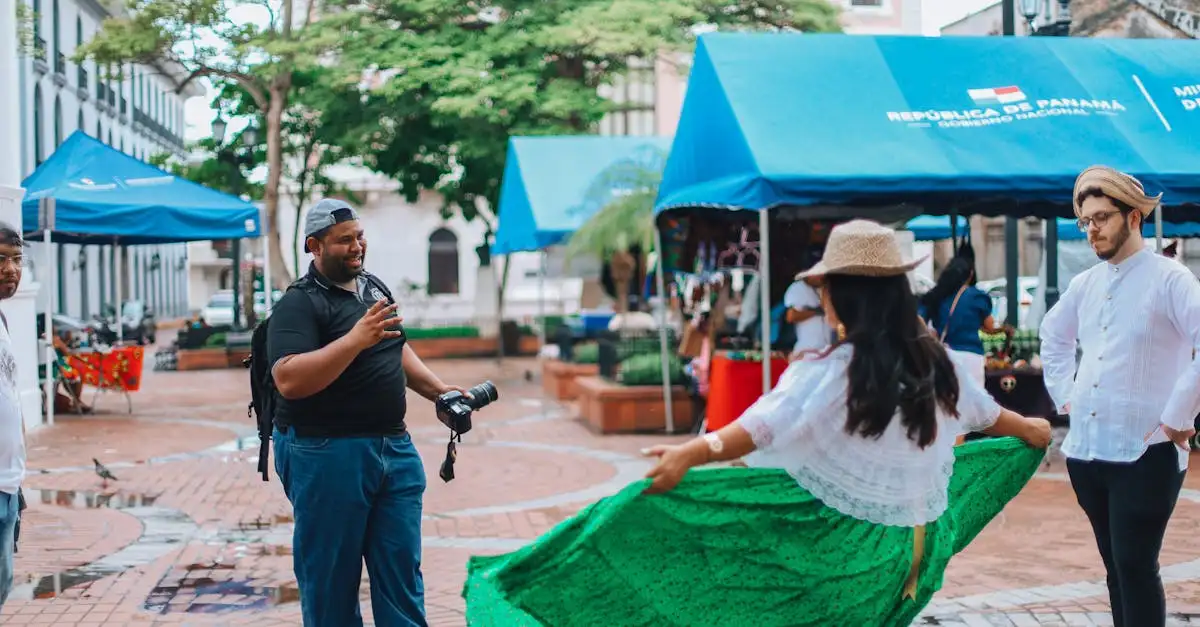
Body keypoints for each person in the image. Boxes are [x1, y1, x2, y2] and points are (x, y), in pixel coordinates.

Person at [463, 220, 1052, 626]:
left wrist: (692, 454)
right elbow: (988, 414)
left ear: (844, 296)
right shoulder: (938, 364)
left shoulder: (831, 370)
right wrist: (1032, 430)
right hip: (907, 559)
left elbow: (765, 426)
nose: (820, 302)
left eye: (825, 292)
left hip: (838, 556)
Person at [267, 199, 470, 627]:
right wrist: (355, 340)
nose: (357, 246)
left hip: (392, 450)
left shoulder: (373, 288)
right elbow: (288, 377)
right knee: (331, 584)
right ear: (314, 246)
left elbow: (395, 346)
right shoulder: (298, 304)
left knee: (401, 575)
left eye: (359, 236)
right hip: (327, 454)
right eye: (344, 240)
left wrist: (437, 391)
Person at [1039, 166, 1200, 627]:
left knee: (1135, 566)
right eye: (1085, 221)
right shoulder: (1085, 284)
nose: (1092, 230)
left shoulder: (1171, 278)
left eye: (1102, 218)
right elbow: (1052, 336)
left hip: (1146, 450)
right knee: (1115, 570)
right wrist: (1064, 394)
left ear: (1133, 218)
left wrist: (1178, 415)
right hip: (1087, 454)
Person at [919, 243, 1003, 383]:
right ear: (970, 274)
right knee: (972, 400)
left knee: (948, 400)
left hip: (944, 356)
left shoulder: (936, 295)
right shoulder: (977, 297)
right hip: (971, 356)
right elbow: (989, 327)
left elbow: (920, 322)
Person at [0, 221, 26, 611]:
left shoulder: (3, 320)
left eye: (18, 259)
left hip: (8, 482)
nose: (11, 269)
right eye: (1, 260)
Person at [783, 274, 827, 359]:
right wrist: (816, 312)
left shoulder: (824, 287)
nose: (822, 277)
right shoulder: (798, 288)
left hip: (825, 349)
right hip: (806, 350)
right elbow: (791, 316)